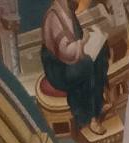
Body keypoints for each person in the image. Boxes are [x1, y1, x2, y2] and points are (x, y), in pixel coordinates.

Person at [40, 0, 109, 135]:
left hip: (70, 59)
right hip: (59, 69)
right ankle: (88, 118)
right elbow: (66, 52)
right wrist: (84, 42)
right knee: (86, 64)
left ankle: (98, 103)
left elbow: (76, 39)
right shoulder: (53, 17)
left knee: (101, 52)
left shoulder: (67, 11)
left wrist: (89, 40)